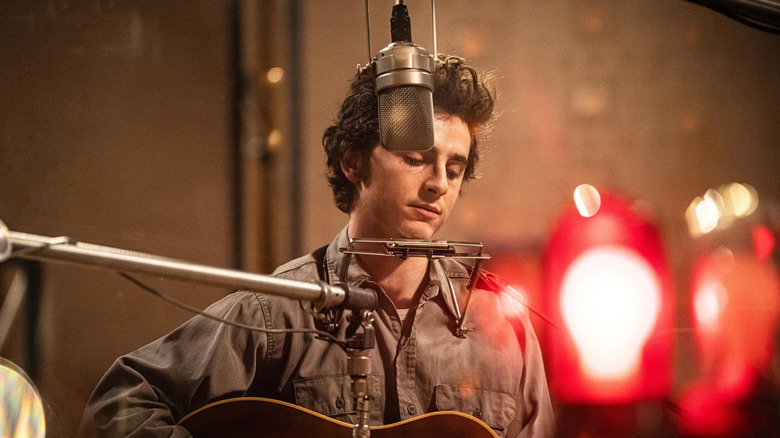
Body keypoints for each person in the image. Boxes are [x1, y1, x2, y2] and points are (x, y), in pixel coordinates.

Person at [79, 54, 555, 438]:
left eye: (454, 168)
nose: (438, 184)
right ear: (353, 162)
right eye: (415, 159)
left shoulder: (503, 326)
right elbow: (117, 404)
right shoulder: (278, 311)